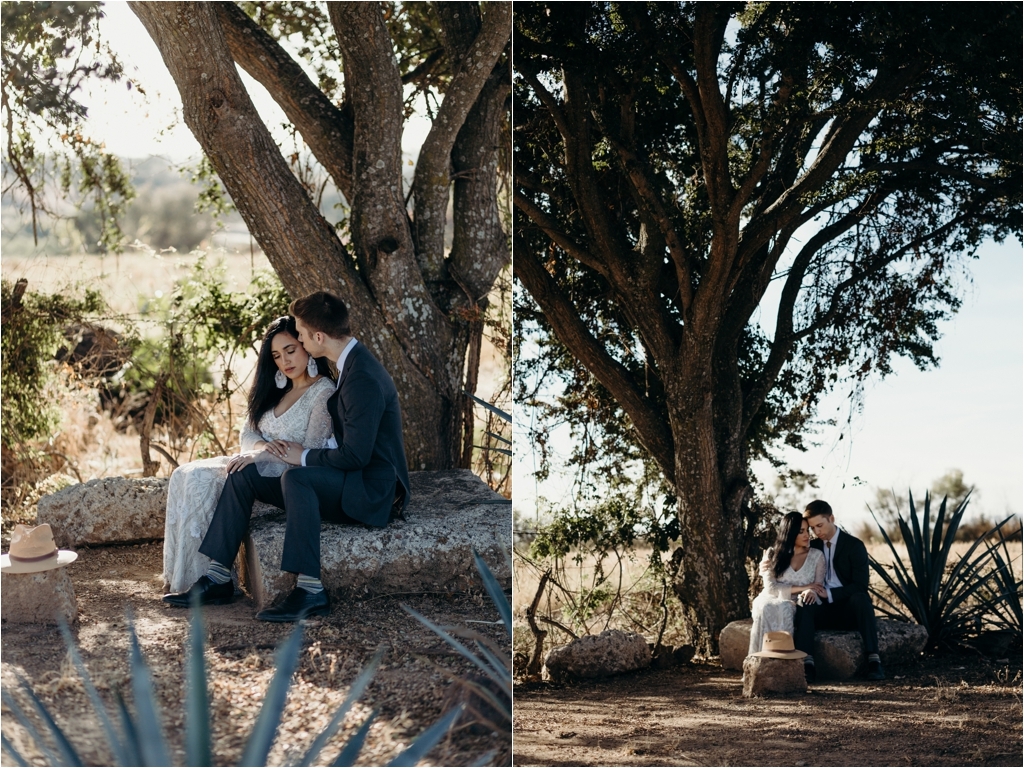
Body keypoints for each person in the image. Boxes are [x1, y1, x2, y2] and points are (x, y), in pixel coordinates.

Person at [163, 291, 411, 622]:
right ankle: (219, 577)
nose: (302, 345)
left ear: (318, 336)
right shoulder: (352, 365)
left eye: (303, 337)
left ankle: (310, 590)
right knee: (243, 475)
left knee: (297, 477)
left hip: (371, 490)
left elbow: (356, 457)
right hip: (353, 476)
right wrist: (265, 454)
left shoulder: (361, 377)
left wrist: (302, 455)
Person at [162, 315, 334, 594]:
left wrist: (261, 458)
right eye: (277, 356)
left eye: (290, 350)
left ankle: (216, 577)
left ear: (305, 345)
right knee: (185, 474)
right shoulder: (279, 389)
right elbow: (248, 434)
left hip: (292, 481)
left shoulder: (323, 392)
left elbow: (312, 449)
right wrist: (263, 449)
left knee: (226, 475)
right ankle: (192, 574)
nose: (285, 361)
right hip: (259, 463)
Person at [795, 499, 885, 681]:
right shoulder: (813, 547)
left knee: (861, 599)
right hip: (822, 609)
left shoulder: (854, 545)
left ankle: (874, 661)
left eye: (819, 525)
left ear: (832, 519)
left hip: (848, 609)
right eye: (812, 528)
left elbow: (860, 585)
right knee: (804, 602)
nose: (816, 532)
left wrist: (829, 594)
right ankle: (807, 665)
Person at [749, 512, 826, 663]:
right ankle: (762, 663)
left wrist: (809, 589)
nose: (807, 535)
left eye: (807, 531)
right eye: (801, 531)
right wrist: (804, 586)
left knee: (785, 607)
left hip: (797, 601)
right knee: (769, 607)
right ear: (790, 534)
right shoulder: (773, 554)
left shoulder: (816, 556)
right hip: (769, 597)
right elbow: (770, 588)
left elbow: (818, 586)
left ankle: (785, 663)